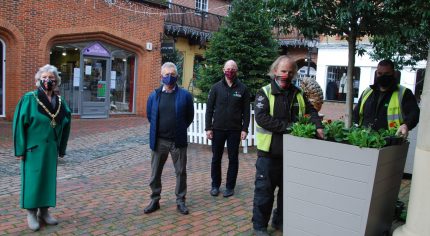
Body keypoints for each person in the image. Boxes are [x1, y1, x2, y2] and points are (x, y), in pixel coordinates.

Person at [252, 56, 324, 235]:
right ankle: (259, 226)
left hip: (293, 154)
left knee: (288, 192)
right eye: (283, 71)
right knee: (264, 193)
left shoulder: (298, 93)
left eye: (290, 72)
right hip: (269, 154)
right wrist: (289, 128)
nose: (287, 75)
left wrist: (318, 126)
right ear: (275, 71)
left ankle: (280, 221)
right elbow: (262, 118)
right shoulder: (265, 92)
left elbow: (312, 111)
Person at [13, 64, 72, 231]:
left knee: (48, 179)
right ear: (38, 80)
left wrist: (61, 148)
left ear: (57, 82)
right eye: (44, 78)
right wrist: (20, 149)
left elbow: (67, 123)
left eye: (51, 79)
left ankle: (44, 212)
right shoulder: (29, 99)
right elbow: (19, 125)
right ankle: (31, 212)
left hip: (51, 149)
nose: (48, 81)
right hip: (33, 149)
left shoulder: (60, 101)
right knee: (33, 181)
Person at [144, 62, 194, 215]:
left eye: (172, 74)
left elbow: (189, 117)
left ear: (177, 76)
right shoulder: (154, 95)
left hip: (178, 141)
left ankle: (180, 200)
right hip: (159, 141)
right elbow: (150, 116)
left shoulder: (185, 95)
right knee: (155, 173)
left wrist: (179, 128)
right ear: (161, 76)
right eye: (166, 75)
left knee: (180, 172)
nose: (169, 77)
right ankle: (155, 199)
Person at [205, 60, 250, 198]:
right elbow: (209, 110)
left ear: (236, 71)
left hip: (234, 130)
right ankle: (215, 186)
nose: (230, 71)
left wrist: (244, 129)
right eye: (228, 68)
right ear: (223, 70)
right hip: (217, 129)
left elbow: (246, 111)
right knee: (216, 158)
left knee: (233, 159)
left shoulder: (242, 89)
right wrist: (208, 128)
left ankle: (230, 187)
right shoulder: (216, 88)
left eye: (233, 69)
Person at [353, 59, 420, 137]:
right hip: (364, 141)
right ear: (376, 73)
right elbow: (356, 114)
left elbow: (414, 113)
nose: (383, 76)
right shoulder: (367, 92)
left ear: (393, 73)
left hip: (391, 142)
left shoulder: (404, 93)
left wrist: (406, 125)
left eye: (387, 73)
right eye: (380, 73)